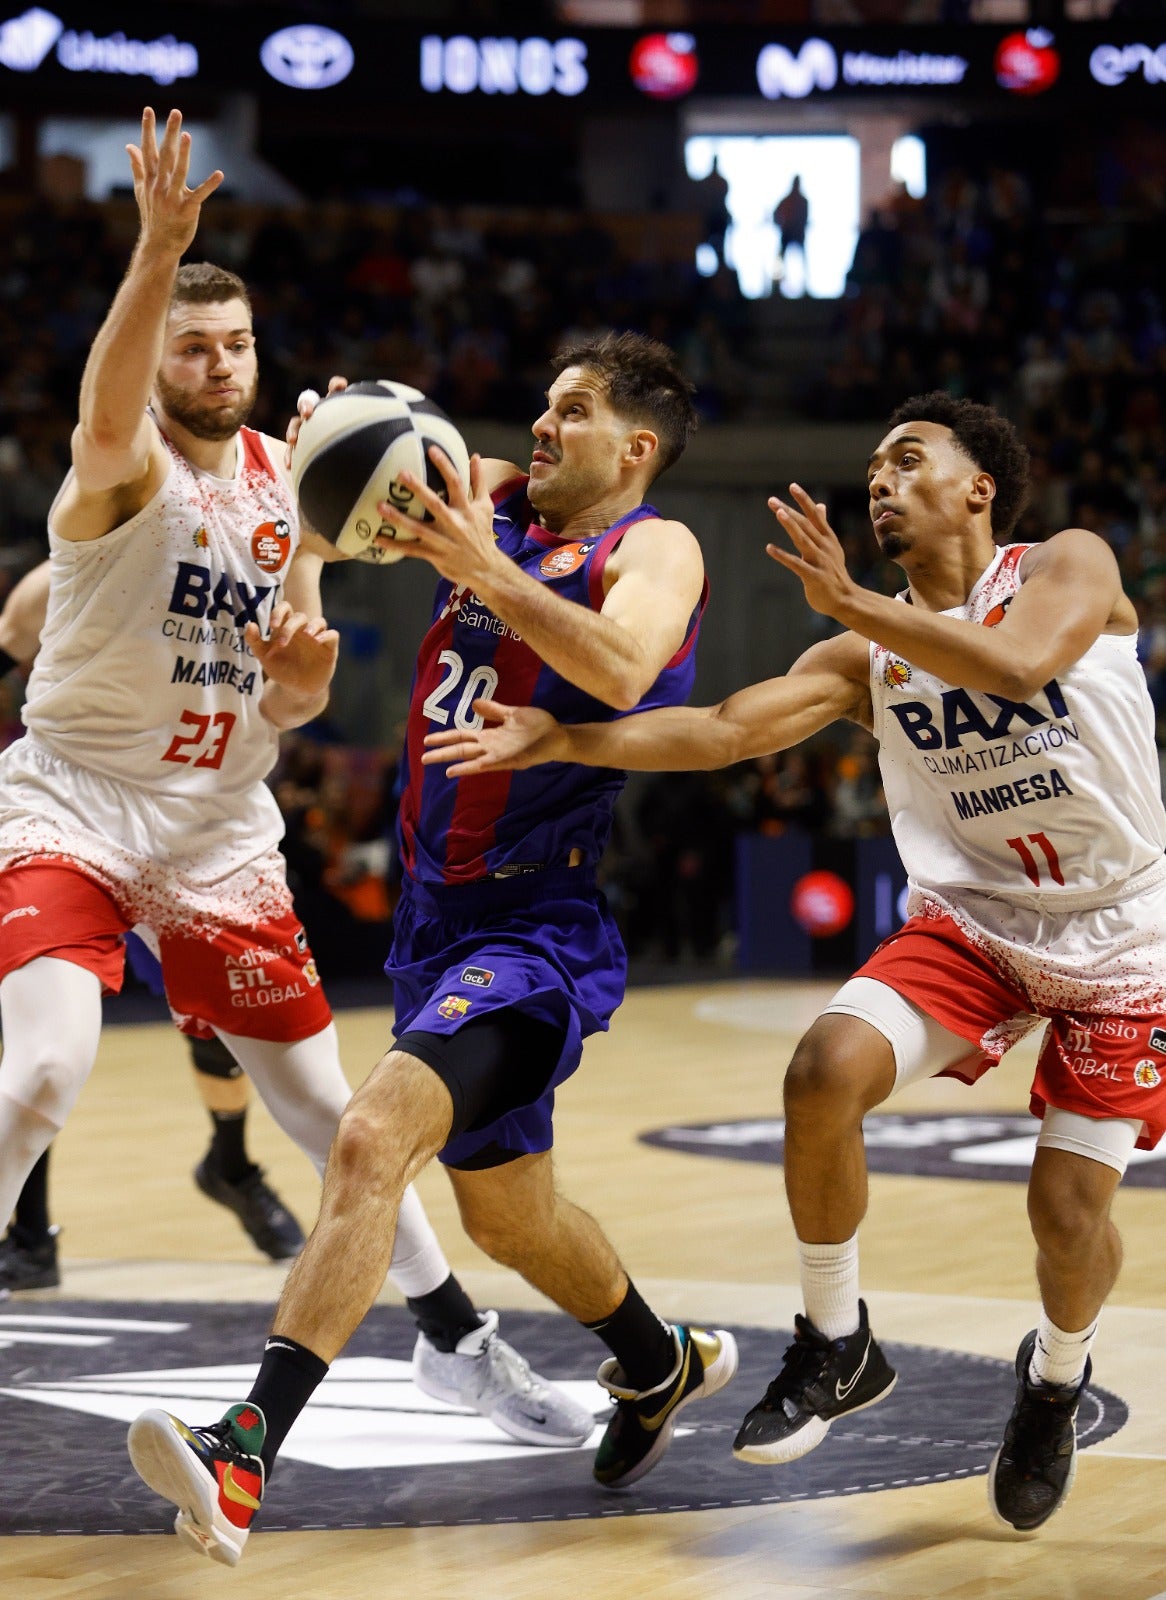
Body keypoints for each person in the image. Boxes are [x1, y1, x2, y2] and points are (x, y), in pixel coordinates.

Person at [422, 390, 1166, 1535]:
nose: (879, 479)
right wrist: (564, 736)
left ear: (978, 487)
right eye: (871, 467)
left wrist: (853, 603)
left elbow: (1019, 665)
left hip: (1120, 939)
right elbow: (726, 727)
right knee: (823, 1069)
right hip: (974, 924)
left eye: (906, 459)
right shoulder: (866, 651)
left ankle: (1054, 1378)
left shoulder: (1065, 563)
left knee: (1064, 1217)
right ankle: (833, 1338)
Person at [0, 109, 591, 1445]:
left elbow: (293, 695)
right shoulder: (121, 463)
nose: (217, 363)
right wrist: (158, 251)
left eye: (236, 343)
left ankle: (460, 1347)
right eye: (191, 345)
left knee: (332, 1109)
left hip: (217, 826)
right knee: (42, 1071)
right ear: (157, 356)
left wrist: (303, 674)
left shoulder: (299, 488)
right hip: (73, 805)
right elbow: (106, 400)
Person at [127, 324, 738, 1565]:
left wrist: (480, 566)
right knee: (510, 1218)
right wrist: (326, 439)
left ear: (635, 446)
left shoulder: (651, 545)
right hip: (431, 922)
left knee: (369, 1137)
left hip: (535, 928)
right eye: (544, 403)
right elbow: (367, 477)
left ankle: (243, 1452)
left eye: (573, 409)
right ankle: (655, 1359)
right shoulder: (489, 499)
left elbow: (625, 667)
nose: (542, 425)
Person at [0, 563, 305, 1282]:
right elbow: (15, 630)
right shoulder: (115, 536)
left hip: (180, 813)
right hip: (71, 810)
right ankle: (32, 1235)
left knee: (222, 1022)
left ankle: (230, 1163)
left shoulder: (235, 546)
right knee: (35, 1032)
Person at [773, 175, 809, 293]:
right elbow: (776, 214)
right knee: (781, 259)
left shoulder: (803, 201)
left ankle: (805, 286)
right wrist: (783, 224)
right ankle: (776, 286)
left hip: (797, 233)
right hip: (788, 232)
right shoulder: (787, 200)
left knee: (802, 260)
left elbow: (805, 218)